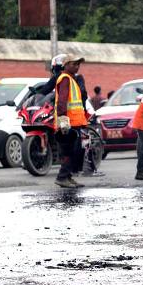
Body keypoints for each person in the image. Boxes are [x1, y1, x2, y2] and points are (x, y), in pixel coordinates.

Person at [53, 54, 88, 188]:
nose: (77, 66)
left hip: (75, 122)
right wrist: (63, 121)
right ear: (66, 65)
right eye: (74, 64)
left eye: (78, 64)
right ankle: (62, 177)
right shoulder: (65, 79)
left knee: (74, 150)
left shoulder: (71, 79)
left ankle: (68, 177)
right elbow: (62, 101)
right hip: (69, 123)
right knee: (69, 150)